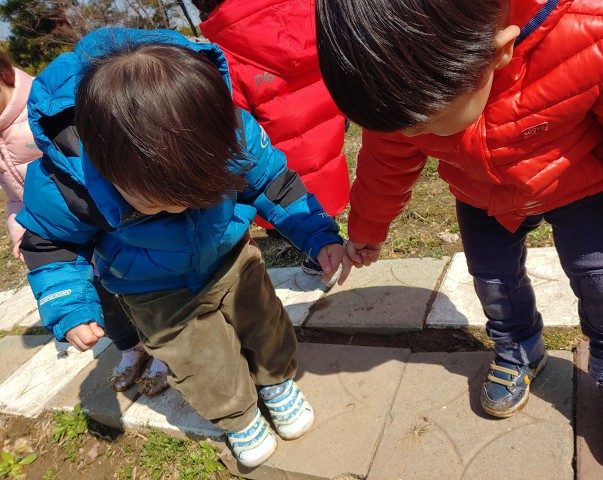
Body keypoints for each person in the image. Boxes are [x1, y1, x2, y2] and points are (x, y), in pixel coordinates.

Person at [315, 0, 603, 470]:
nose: (412, 134)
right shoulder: (403, 85)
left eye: (423, 124)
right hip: (480, 191)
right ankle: (519, 348)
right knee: (493, 278)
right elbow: (385, 160)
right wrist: (367, 229)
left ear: (499, 52)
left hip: (580, 180)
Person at [19, 27, 350, 468]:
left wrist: (318, 235)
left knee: (264, 321)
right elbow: (51, 244)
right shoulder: (66, 182)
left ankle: (275, 380)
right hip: (151, 289)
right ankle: (237, 416)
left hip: (231, 257)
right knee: (198, 358)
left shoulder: (226, 127)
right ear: (106, 164)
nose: (180, 207)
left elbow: (273, 183)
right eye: (158, 201)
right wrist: (70, 307)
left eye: (200, 191)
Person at [0, 50, 168, 397]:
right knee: (102, 300)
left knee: (144, 290)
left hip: (99, 220)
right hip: (56, 229)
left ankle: (164, 348)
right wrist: (21, 230)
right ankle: (131, 347)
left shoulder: (46, 107)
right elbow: (14, 195)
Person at [192, 0, 350, 275]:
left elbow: (238, 129)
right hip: (328, 137)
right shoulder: (314, 16)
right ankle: (325, 236)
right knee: (319, 185)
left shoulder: (224, 54)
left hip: (276, 167)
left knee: (282, 191)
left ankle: (308, 243)